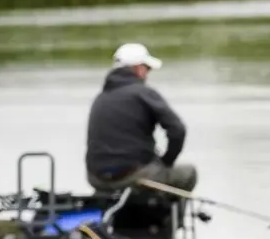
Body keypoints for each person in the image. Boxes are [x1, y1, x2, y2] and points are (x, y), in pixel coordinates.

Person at [84, 42, 198, 195]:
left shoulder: (101, 98)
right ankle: (162, 216)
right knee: (188, 173)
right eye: (147, 69)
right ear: (138, 68)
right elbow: (177, 130)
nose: (147, 74)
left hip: (97, 178)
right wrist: (167, 162)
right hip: (133, 176)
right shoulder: (143, 93)